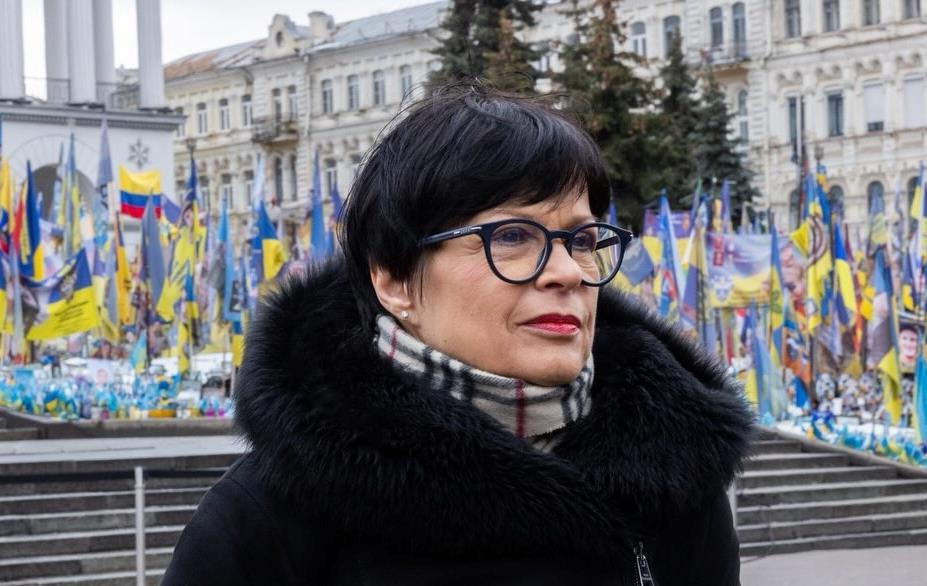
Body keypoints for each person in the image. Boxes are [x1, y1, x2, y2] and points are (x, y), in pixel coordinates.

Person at [163, 85, 753, 585]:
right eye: (512, 236)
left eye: (581, 240)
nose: (568, 272)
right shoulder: (266, 521)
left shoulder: (676, 483)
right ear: (394, 279)